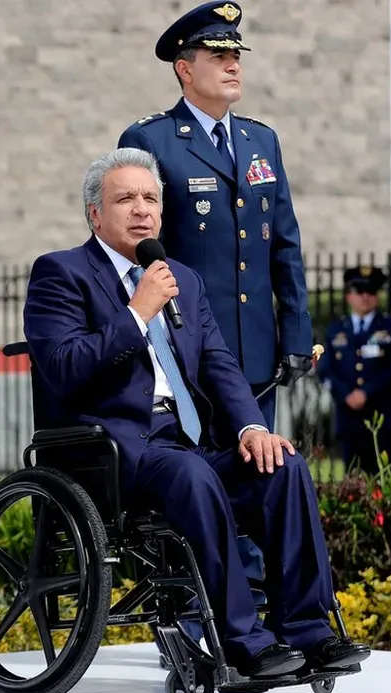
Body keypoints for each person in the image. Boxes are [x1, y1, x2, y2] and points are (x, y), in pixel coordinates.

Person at [22, 147, 369, 678]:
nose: (141, 210)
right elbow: (63, 367)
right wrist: (137, 312)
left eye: (151, 199)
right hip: (115, 451)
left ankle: (310, 630)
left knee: (283, 466)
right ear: (95, 213)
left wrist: (254, 426)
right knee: (191, 474)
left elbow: (217, 362)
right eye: (125, 199)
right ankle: (242, 640)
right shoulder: (61, 273)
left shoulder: (179, 274)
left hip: (190, 446)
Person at [117, 0, 314, 431]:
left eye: (236, 56)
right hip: (192, 352)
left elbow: (285, 246)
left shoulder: (262, 141)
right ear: (185, 70)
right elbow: (136, 250)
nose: (233, 66)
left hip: (258, 354)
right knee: (201, 483)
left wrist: (297, 334)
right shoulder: (153, 140)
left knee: (258, 475)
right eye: (218, 56)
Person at [317, 266, 391, 475]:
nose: (366, 297)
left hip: (383, 419)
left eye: (372, 291)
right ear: (349, 295)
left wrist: (365, 392)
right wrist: (346, 394)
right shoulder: (335, 330)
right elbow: (326, 370)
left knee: (385, 479)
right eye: (360, 291)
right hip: (350, 421)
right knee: (353, 483)